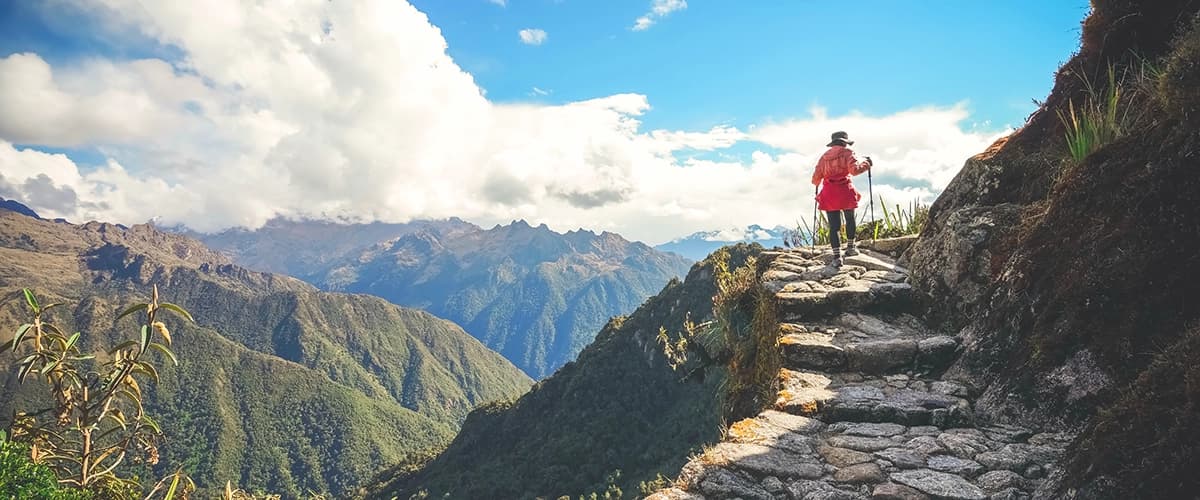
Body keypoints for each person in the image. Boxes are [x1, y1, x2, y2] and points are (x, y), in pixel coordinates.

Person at [812, 131, 872, 267]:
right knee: (850, 218)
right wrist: (867, 164)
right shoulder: (848, 152)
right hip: (845, 191)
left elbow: (815, 179)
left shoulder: (824, 157)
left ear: (833, 143)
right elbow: (855, 171)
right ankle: (850, 248)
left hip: (829, 193)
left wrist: (819, 182)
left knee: (834, 226)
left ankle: (837, 257)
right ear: (845, 142)